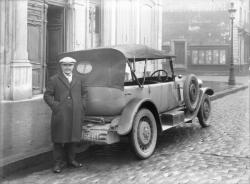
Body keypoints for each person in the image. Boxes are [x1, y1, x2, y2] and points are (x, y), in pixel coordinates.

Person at [44, 57, 87, 173]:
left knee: (73, 138)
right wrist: (56, 106)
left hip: (75, 113)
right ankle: (58, 163)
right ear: (61, 66)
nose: (67, 68)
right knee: (58, 139)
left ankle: (71, 160)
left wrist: (81, 105)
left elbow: (84, 93)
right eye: (65, 65)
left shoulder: (79, 79)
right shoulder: (54, 79)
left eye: (70, 65)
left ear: (73, 66)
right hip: (61, 114)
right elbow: (47, 95)